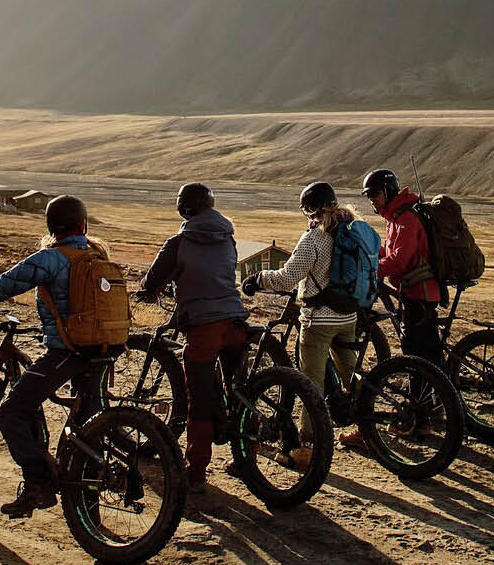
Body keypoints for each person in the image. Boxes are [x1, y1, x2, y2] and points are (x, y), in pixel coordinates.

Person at [0, 194, 112, 519]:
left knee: (11, 413)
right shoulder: (97, 255)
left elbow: (6, 284)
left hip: (70, 352)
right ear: (83, 224)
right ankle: (91, 521)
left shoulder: (51, 258)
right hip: (105, 351)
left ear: (51, 227)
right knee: (89, 425)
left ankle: (39, 484)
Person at [137, 182, 246, 496]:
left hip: (204, 325)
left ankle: (195, 471)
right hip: (236, 321)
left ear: (184, 208)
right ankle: (245, 459)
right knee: (238, 392)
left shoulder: (180, 241)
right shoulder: (228, 237)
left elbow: (154, 278)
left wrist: (147, 290)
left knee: (197, 400)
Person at [249, 181, 369, 463]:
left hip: (319, 320)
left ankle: (307, 446)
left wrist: (258, 279)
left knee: (310, 382)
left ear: (309, 210)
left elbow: (288, 278)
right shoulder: (352, 229)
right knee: (352, 373)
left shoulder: (314, 238)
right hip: (348, 315)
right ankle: (368, 429)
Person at [361, 168, 443, 366]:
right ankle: (436, 391)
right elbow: (392, 254)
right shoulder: (395, 217)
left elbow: (399, 261)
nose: (371, 199)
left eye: (375, 194)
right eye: (368, 195)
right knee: (423, 351)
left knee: (417, 356)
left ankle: (427, 396)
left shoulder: (405, 218)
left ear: (388, 191)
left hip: (419, 294)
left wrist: (370, 270)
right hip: (412, 292)